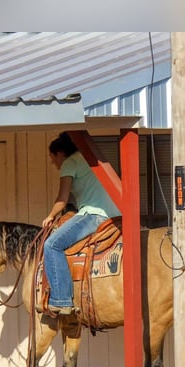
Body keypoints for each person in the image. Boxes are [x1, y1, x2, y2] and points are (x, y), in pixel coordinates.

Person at [42, 132, 121, 315]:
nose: (53, 164)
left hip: (95, 215)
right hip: (116, 214)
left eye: (53, 158)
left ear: (60, 154)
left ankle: (61, 300)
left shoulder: (69, 163)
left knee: (52, 245)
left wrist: (50, 216)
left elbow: (62, 199)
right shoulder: (90, 158)